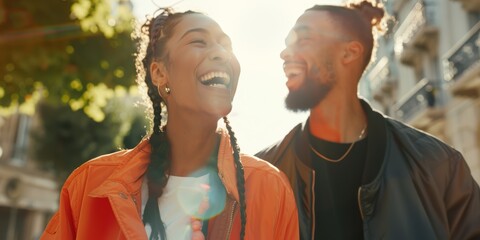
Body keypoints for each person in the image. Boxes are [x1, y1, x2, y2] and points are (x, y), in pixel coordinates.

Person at [41, 8, 299, 240]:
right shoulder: (89, 185)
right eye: (199, 41)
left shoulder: (269, 188)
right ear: (160, 73)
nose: (221, 53)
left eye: (226, 45)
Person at [256, 1, 480, 239]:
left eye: (304, 39)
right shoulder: (262, 174)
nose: (285, 53)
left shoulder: (438, 164)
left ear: (349, 52)